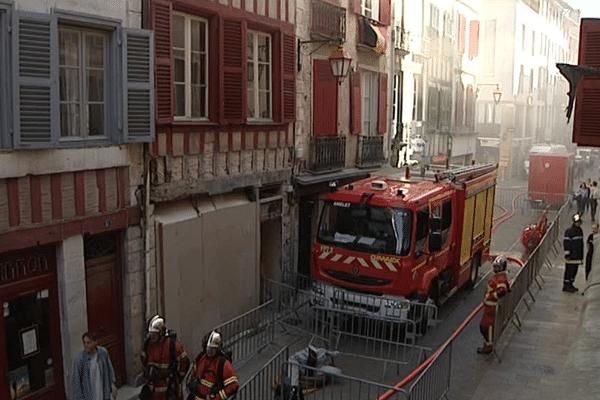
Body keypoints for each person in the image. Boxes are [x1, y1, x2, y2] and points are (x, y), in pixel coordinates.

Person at [140, 315, 190, 400]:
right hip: (152, 389)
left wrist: (178, 377)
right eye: (151, 333)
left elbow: (185, 362)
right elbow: (144, 359)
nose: (152, 336)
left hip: (168, 389)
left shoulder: (172, 345)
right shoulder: (148, 344)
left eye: (155, 333)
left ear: (161, 332)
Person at [187, 331, 239, 400]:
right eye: (208, 348)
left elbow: (233, 385)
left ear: (218, 349)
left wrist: (218, 397)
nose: (210, 351)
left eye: (213, 348)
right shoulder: (201, 358)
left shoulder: (223, 363)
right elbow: (194, 374)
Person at [477, 256, 510, 355]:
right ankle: (487, 345)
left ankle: (489, 347)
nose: (495, 269)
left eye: (497, 267)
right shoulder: (500, 276)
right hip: (489, 306)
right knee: (485, 327)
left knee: (486, 327)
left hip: (492, 307)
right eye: (495, 267)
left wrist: (492, 297)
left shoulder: (500, 278)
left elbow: (502, 290)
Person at [72, 331, 118, 400]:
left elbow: (110, 371)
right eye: (84, 342)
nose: (85, 345)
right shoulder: (79, 359)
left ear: (95, 342)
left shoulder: (103, 353)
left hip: (102, 393)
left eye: (88, 342)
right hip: (89, 395)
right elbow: (76, 382)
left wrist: (112, 386)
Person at [563, 213, 584, 293]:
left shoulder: (580, 230)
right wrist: (567, 254)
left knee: (574, 271)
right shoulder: (569, 231)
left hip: (577, 256)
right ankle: (566, 285)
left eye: (579, 222)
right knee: (569, 270)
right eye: (577, 222)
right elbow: (566, 244)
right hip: (571, 256)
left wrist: (581, 256)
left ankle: (571, 284)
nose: (578, 223)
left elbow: (581, 244)